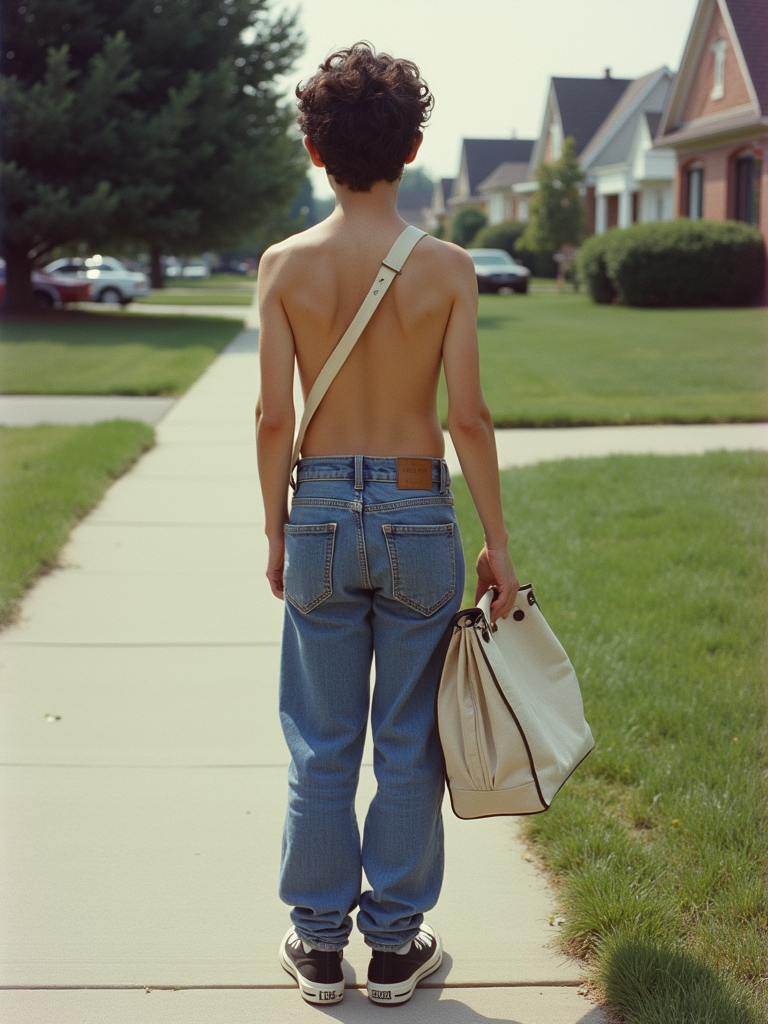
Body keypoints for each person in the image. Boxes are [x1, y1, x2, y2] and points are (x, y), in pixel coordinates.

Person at [255, 41, 520, 1007]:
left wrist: (278, 529)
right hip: (417, 511)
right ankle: (398, 947)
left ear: (315, 150)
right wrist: (496, 537)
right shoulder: (448, 269)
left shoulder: (285, 266)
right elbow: (468, 420)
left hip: (319, 508)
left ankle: (318, 946)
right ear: (412, 147)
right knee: (408, 739)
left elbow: (273, 416)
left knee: (322, 741)